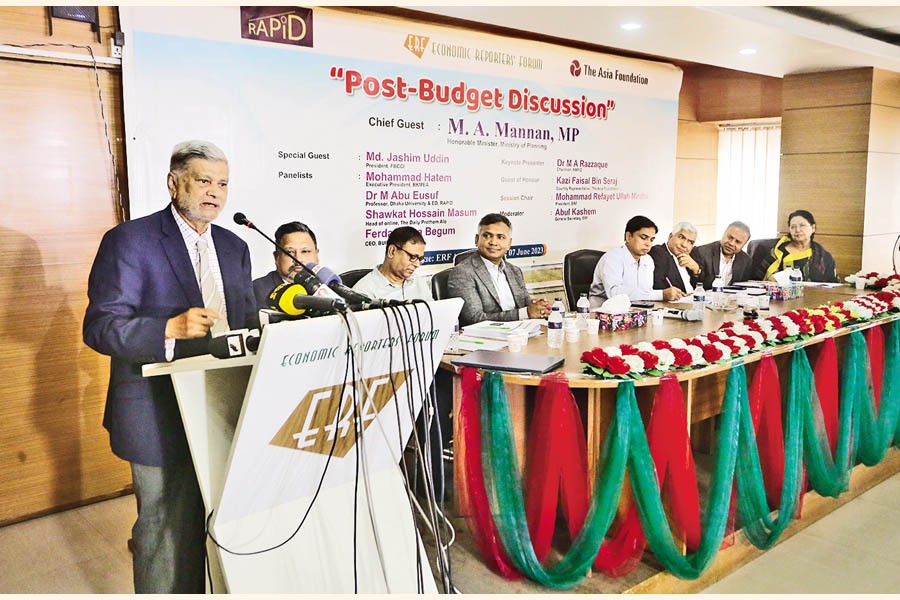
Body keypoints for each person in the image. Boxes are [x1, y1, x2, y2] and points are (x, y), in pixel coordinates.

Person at [83, 140, 256, 593]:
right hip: (156, 409)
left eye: (222, 183)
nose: (215, 192)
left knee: (218, 521)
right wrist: (167, 328)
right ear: (173, 183)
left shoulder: (235, 247)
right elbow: (101, 327)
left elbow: (245, 322)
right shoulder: (130, 241)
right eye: (203, 180)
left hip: (226, 404)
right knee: (164, 527)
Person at [447, 213, 551, 327]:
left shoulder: (514, 271)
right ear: (477, 239)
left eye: (500, 237)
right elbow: (474, 319)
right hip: (485, 339)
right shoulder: (462, 273)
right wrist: (525, 313)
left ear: (509, 244)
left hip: (519, 334)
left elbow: (526, 304)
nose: (493, 242)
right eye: (487, 236)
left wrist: (539, 307)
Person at [589, 215, 685, 307]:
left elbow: (645, 293)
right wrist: (661, 295)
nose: (648, 244)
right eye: (643, 238)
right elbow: (615, 294)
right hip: (602, 315)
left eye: (651, 240)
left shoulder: (648, 260)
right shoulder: (613, 258)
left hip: (635, 314)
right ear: (628, 237)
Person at [754, 210, 838, 282]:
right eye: (793, 227)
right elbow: (755, 279)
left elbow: (832, 284)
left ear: (813, 228)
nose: (797, 230)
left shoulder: (823, 256)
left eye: (802, 226)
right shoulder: (774, 250)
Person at [352, 226, 433, 301]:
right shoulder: (364, 292)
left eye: (420, 259)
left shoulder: (418, 281)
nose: (417, 264)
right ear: (392, 251)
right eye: (413, 257)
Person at [252, 221, 320, 308]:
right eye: (290, 252)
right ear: (277, 257)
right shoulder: (256, 292)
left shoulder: (327, 287)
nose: (298, 259)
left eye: (305, 251)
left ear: (316, 255)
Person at [691, 221, 752, 288]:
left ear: (744, 245)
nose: (731, 243)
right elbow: (694, 284)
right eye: (730, 237)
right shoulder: (701, 252)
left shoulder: (746, 260)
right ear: (723, 234)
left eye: (737, 242)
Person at [649, 221, 702, 293]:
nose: (684, 245)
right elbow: (658, 286)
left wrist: (696, 270)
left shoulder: (691, 257)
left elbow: (702, 287)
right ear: (670, 236)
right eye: (681, 237)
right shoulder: (658, 253)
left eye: (690, 242)